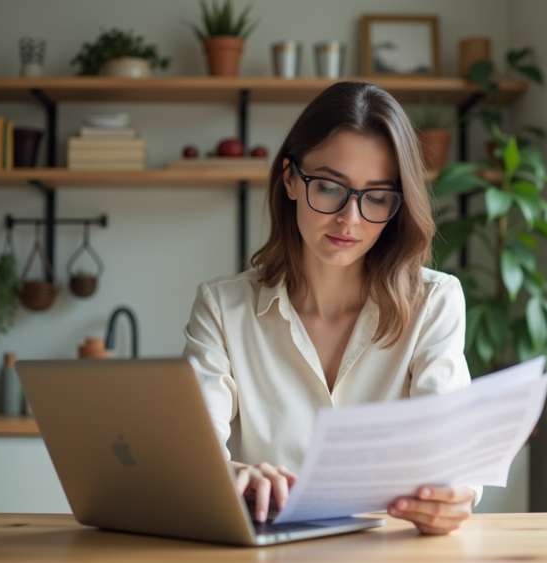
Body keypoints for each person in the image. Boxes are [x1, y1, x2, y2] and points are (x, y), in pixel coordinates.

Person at [183, 81, 480, 536]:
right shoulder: (223, 308)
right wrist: (233, 478)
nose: (350, 219)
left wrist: (453, 495)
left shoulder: (434, 303)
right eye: (329, 187)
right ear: (290, 179)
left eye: (377, 196)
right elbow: (189, 457)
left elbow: (452, 457)